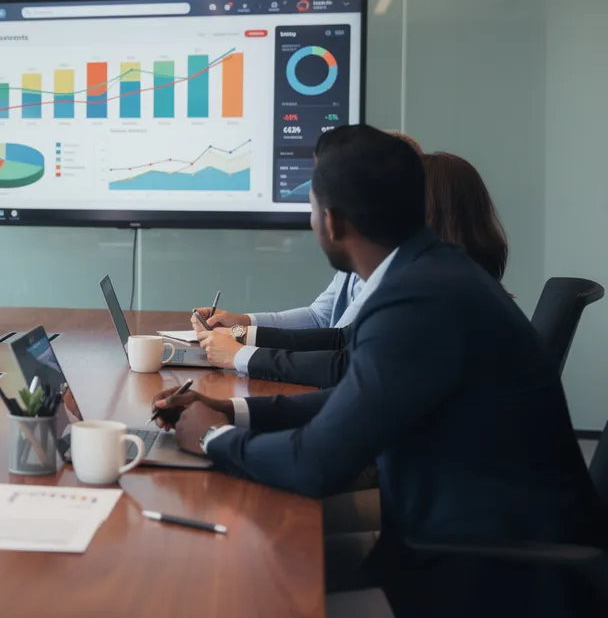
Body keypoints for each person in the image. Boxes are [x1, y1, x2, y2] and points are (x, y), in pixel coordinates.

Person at [151, 126, 602, 615]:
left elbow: (315, 464)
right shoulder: (429, 273)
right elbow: (356, 398)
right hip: (471, 532)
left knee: (247, 565)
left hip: (491, 570)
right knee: (260, 548)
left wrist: (211, 436)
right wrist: (233, 411)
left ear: (331, 221)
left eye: (310, 207)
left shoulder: (418, 299)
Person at [197, 150, 512, 387]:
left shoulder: (440, 294)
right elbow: (344, 338)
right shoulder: (448, 279)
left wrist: (238, 354)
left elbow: (345, 364)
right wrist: (239, 334)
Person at [195, 131, 423, 335]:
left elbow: (338, 341)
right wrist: (242, 322)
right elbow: (318, 317)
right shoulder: (361, 250)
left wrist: (240, 338)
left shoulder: (394, 270)